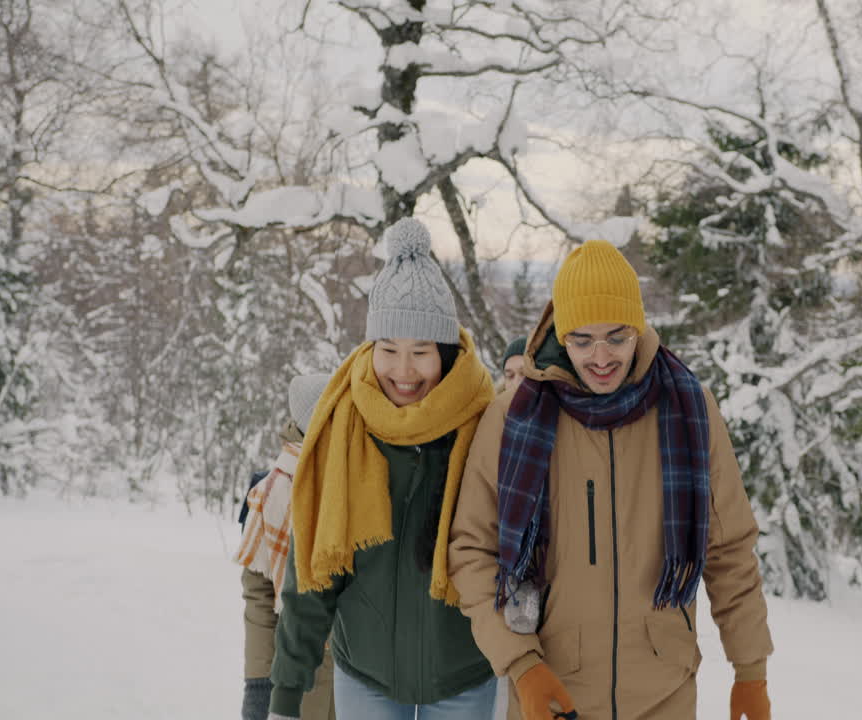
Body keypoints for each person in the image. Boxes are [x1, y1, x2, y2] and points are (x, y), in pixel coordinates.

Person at [448, 239, 775, 720]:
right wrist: (521, 664)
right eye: (581, 340)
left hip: (664, 690)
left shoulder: (688, 408)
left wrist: (751, 669)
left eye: (617, 337)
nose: (601, 356)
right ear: (562, 334)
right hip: (554, 691)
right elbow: (472, 550)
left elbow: (728, 550)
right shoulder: (513, 420)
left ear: (639, 329)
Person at [268, 217, 499, 720]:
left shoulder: (485, 423)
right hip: (367, 677)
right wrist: (287, 690)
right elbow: (310, 572)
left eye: (421, 353)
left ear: (446, 353)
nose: (403, 371)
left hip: (463, 675)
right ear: (371, 349)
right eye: (389, 351)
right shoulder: (344, 426)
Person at [236, 375, 336, 720]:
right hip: (296, 675)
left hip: (361, 677)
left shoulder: (365, 480)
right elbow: (260, 597)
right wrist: (258, 682)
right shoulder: (270, 492)